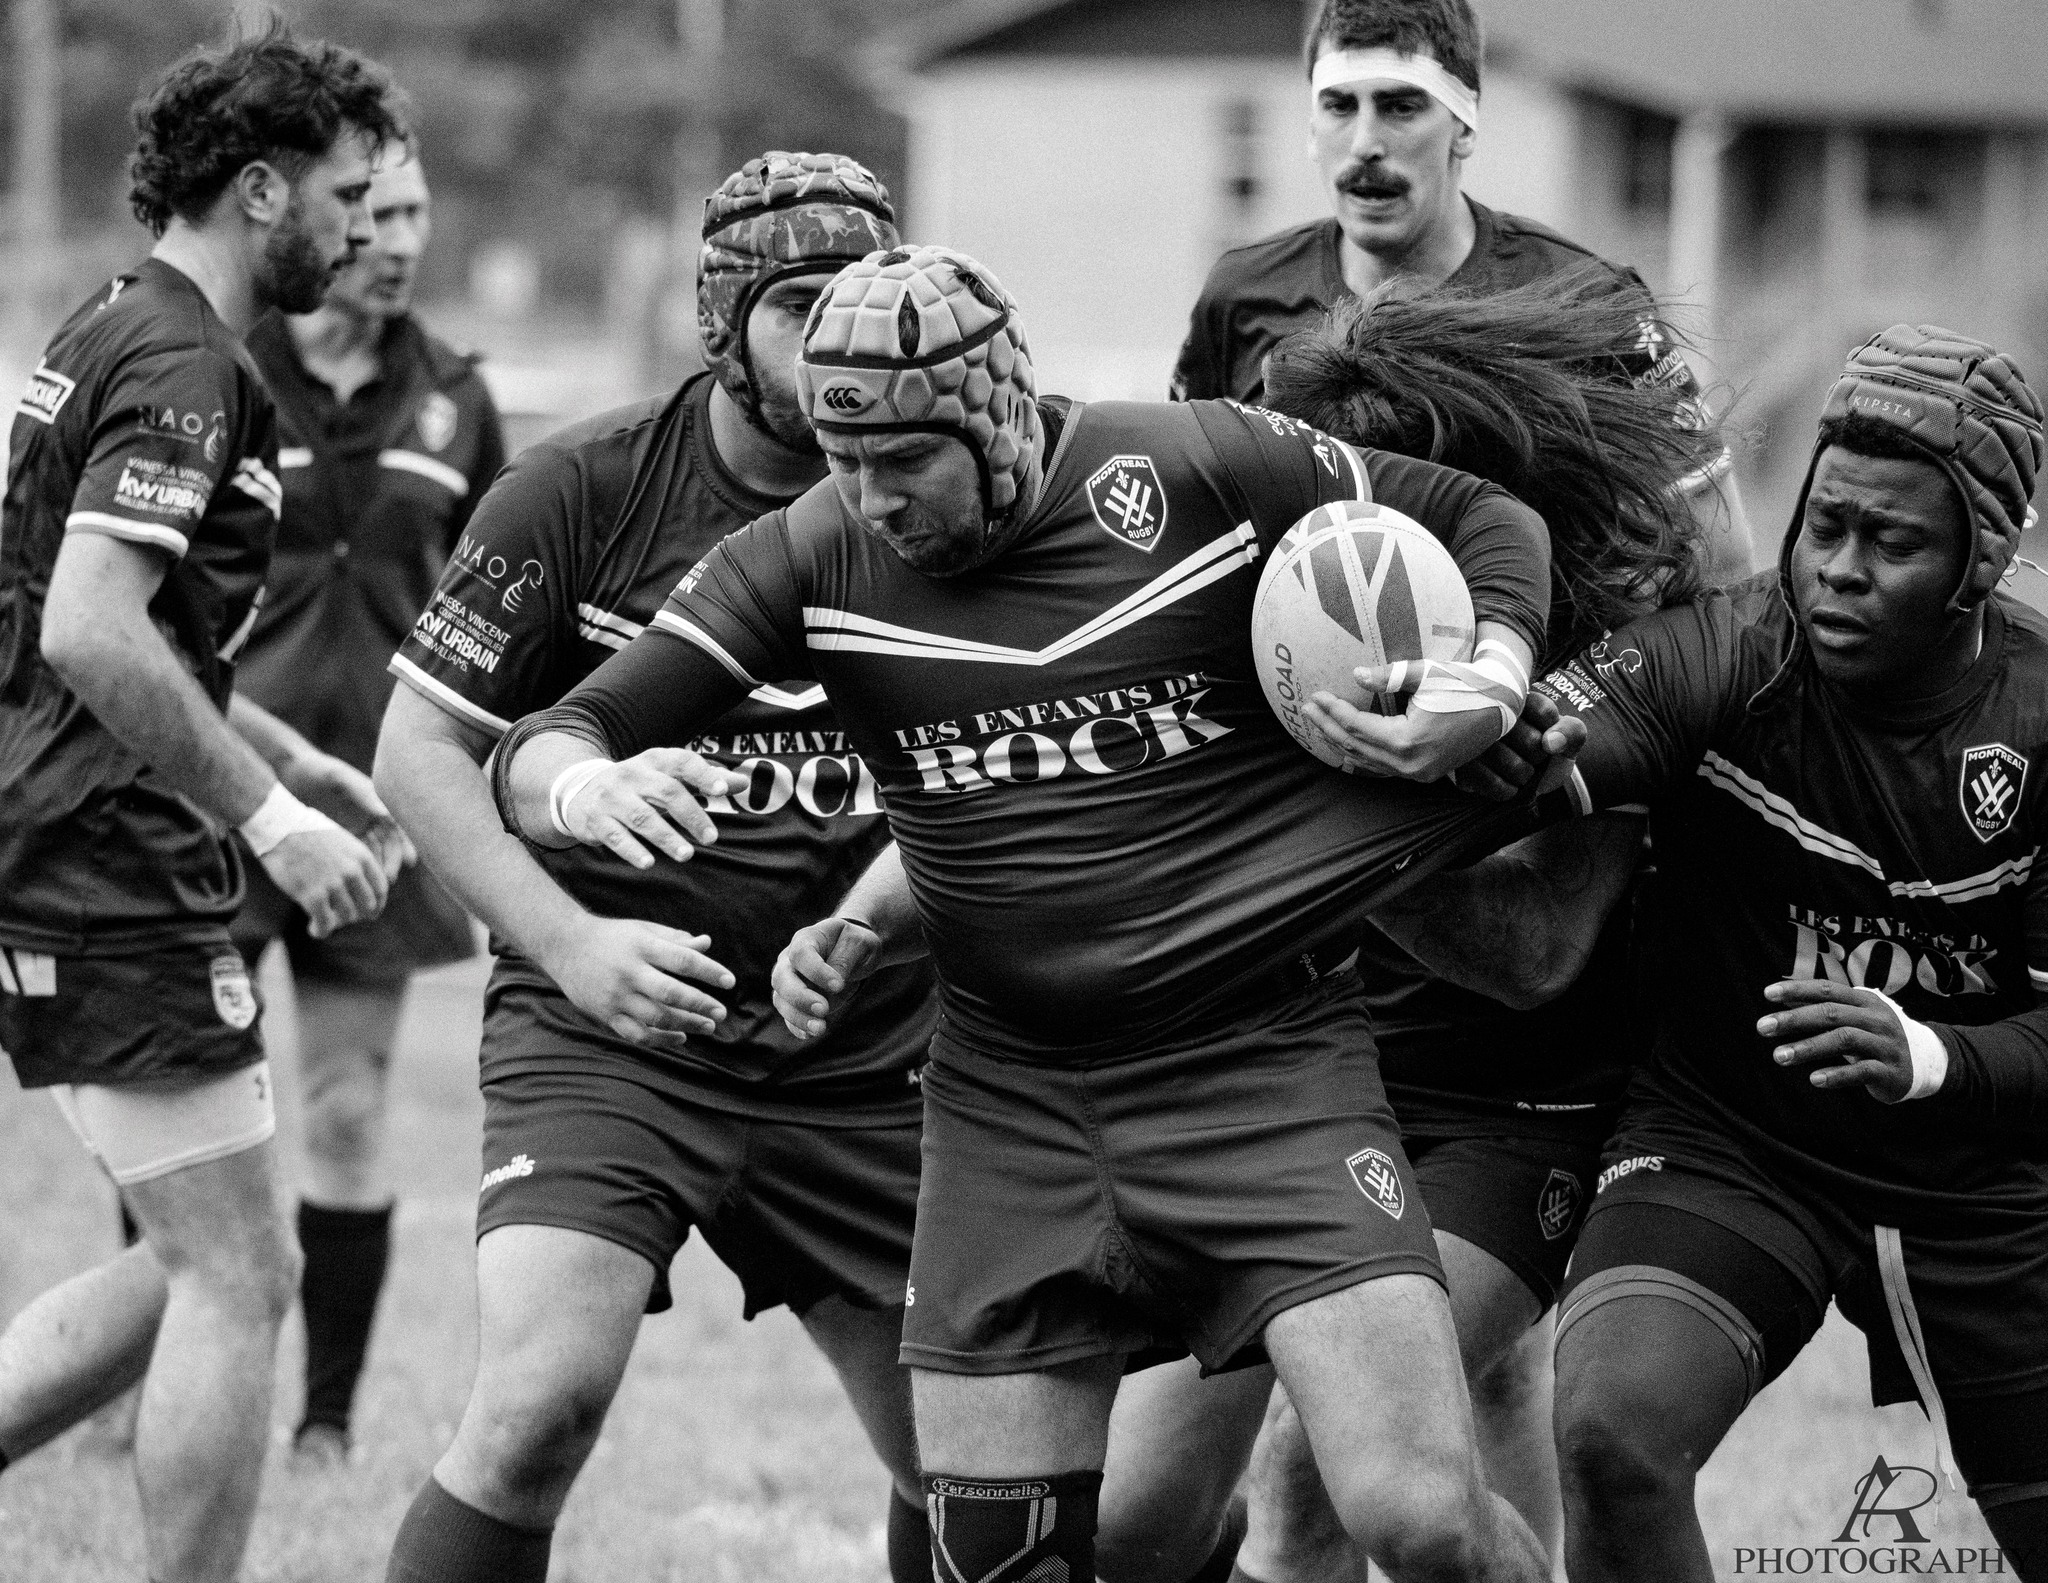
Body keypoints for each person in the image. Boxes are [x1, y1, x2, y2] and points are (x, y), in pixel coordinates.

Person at [490, 243, 1586, 1583]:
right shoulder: (812, 553)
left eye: (903, 459)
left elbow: (1490, 520)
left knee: (1417, 1514)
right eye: (841, 456)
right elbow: (556, 731)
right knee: (1000, 1556)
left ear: (995, 412)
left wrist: (1492, 669)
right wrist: (585, 788)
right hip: (1009, 1105)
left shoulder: (1193, 468)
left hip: (1262, 1071)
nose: (869, 495)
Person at [1371, 326, 2048, 1579]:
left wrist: (1930, 1056)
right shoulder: (1730, 647)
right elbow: (1577, 734)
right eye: (1824, 523)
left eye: (1891, 544)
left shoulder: (2035, 722)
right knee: (1610, 1433)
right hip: (1733, 1142)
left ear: (1978, 561)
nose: (1836, 569)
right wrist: (1502, 749)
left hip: (1987, 1176)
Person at [373, 152, 937, 1583]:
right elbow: (419, 754)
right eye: (800, 309)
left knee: (976, 1452)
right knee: (536, 1406)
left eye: (864, 307)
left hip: (872, 1047)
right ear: (723, 317)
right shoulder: (579, 487)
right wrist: (574, 946)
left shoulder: (941, 493)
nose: (839, 349)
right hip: (612, 1034)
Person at [0, 25, 406, 1583]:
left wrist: (286, 756)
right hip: (108, 855)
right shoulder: (184, 363)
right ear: (259, 189)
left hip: (63, 833)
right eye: (349, 198)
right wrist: (267, 815)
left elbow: (116, 622)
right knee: (239, 1272)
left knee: (211, 1257)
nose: (367, 232)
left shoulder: (112, 319)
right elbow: (87, 626)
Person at [232, 133, 504, 1464]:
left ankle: (325, 1419)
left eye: (420, 210)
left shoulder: (456, 395)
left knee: (344, 1104)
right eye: (377, 209)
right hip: (215, 790)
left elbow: (506, 604)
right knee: (196, 1098)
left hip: (372, 807)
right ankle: (164, 1367)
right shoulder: (221, 366)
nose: (400, 238)